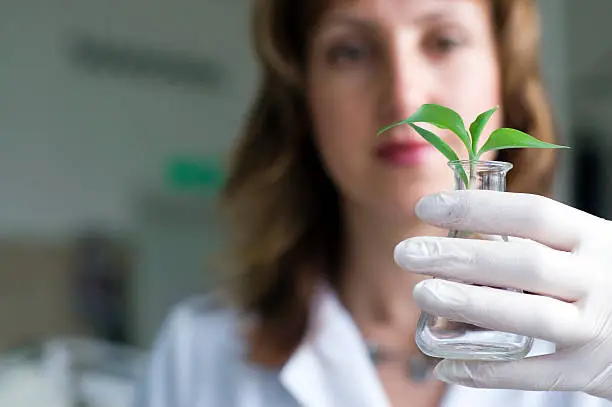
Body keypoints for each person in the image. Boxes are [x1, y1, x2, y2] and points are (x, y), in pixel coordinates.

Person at [134, 0, 612, 406]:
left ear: (505, 78)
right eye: (351, 51)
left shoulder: (591, 346)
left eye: (443, 41)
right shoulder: (197, 357)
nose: (404, 99)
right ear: (304, 98)